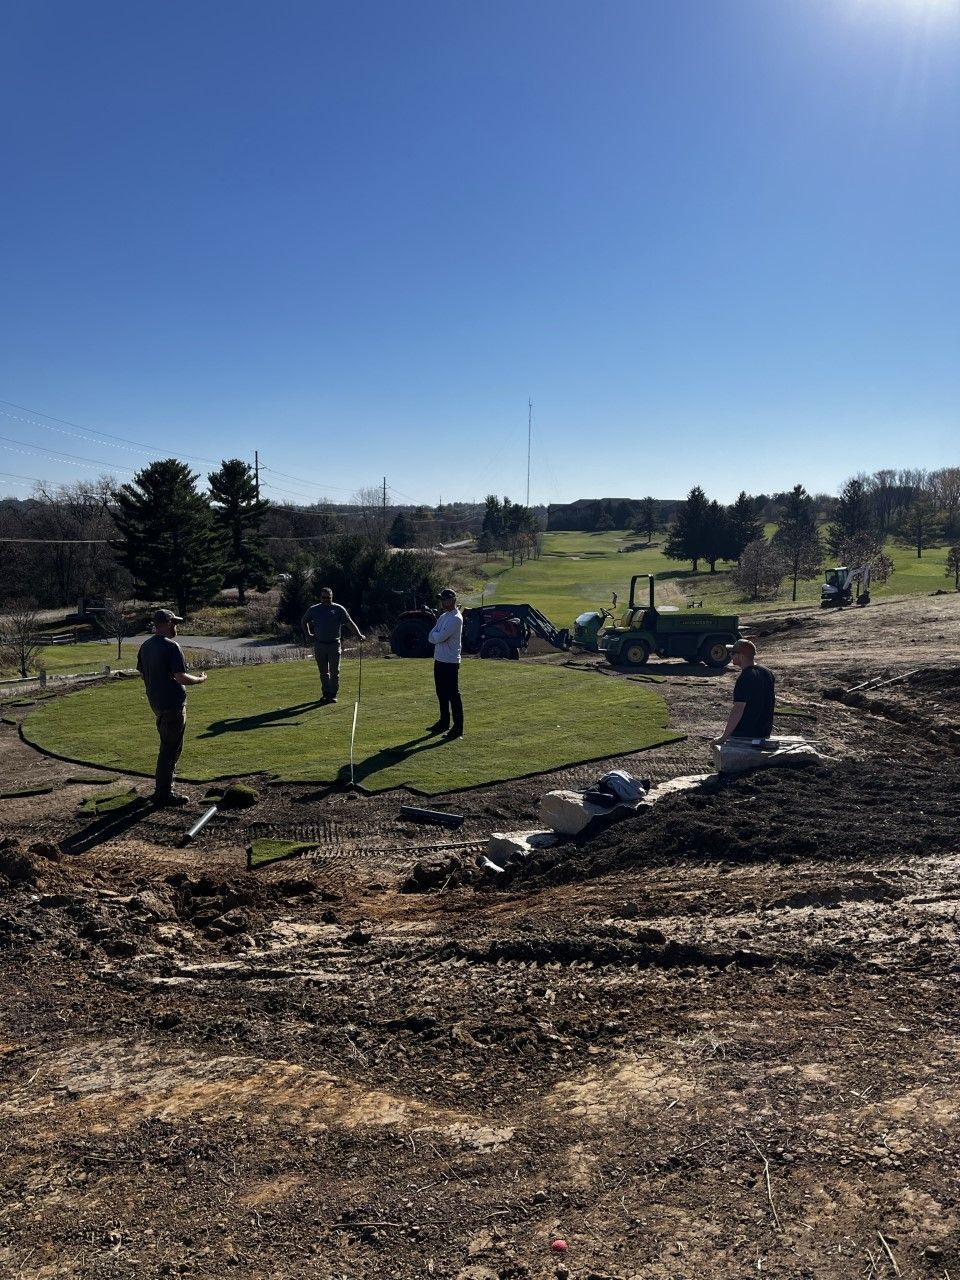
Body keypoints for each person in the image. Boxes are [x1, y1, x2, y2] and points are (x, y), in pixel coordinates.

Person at [136, 608, 208, 806]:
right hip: (172, 705)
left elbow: (143, 675)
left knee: (169, 746)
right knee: (170, 749)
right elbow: (181, 677)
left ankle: (164, 789)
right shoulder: (171, 647)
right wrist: (200, 680)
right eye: (174, 623)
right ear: (166, 623)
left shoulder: (145, 646)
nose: (176, 626)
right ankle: (163, 793)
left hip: (157, 704)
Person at [302, 587, 364, 703]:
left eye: (328, 597)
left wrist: (359, 634)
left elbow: (349, 622)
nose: (326, 599)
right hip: (320, 645)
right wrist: (309, 634)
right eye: (324, 597)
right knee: (324, 672)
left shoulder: (338, 609)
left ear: (332, 597)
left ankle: (333, 694)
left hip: (334, 645)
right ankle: (326, 693)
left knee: (335, 672)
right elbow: (304, 621)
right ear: (320, 598)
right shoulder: (314, 609)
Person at [716, 638, 775, 743]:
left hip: (746, 733)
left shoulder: (746, 677)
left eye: (733, 653)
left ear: (741, 656)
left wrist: (724, 737)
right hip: (764, 732)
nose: (730, 655)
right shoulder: (767, 672)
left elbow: (738, 709)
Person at [427, 588, 464, 740]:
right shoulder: (443, 616)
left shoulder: (456, 618)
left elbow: (439, 637)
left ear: (452, 600)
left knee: (452, 694)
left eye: (445, 599)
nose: (442, 602)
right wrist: (436, 636)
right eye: (441, 599)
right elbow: (431, 636)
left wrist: (436, 637)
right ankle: (444, 722)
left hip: (450, 661)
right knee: (441, 692)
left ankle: (458, 727)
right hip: (440, 659)